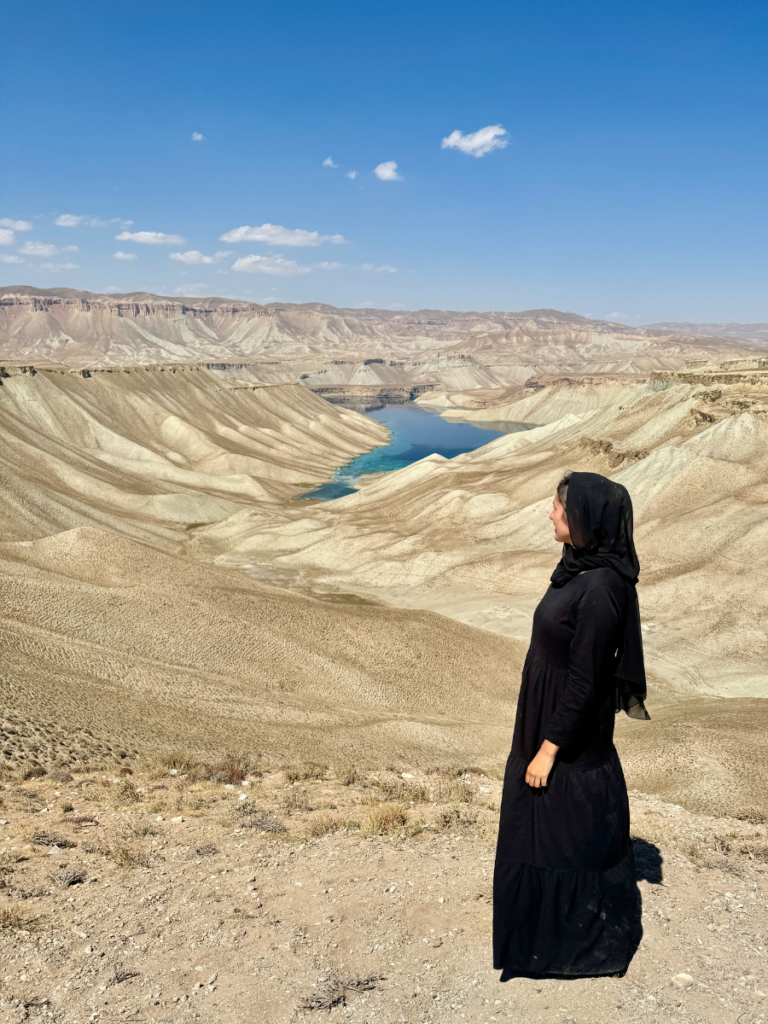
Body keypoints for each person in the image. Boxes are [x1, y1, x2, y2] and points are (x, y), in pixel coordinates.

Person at [493, 470, 650, 978]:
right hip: (546, 717)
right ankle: (538, 930)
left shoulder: (602, 589)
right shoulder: (577, 570)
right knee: (541, 824)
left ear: (584, 516)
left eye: (559, 505)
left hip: (567, 734)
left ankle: (578, 941)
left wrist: (548, 748)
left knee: (567, 828)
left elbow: (586, 683)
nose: (551, 512)